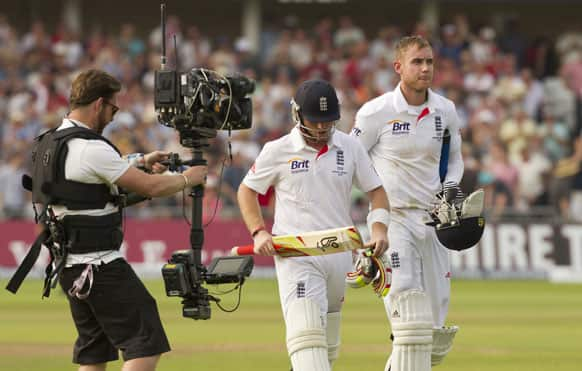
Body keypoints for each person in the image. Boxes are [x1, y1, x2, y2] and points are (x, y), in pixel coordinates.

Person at [37, 69, 207, 371]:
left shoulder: (49, 144)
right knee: (145, 343)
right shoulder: (91, 147)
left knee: (95, 353)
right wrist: (187, 178)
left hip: (68, 265)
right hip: (100, 265)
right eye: (113, 108)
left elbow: (86, 188)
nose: (114, 116)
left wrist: (140, 162)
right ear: (99, 104)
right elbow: (150, 187)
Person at [237, 79, 390, 371]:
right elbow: (247, 190)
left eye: (327, 121)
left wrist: (379, 228)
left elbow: (377, 191)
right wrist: (258, 231)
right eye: (314, 121)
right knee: (307, 344)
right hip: (297, 254)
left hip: (339, 252)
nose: (321, 128)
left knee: (327, 350)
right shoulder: (278, 150)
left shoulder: (350, 146)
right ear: (297, 114)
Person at [351, 35, 464, 371]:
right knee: (409, 316)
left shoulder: (446, 109)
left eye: (429, 61)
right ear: (398, 67)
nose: (425, 68)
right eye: (417, 62)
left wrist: (451, 189)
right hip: (393, 220)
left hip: (433, 221)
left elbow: (455, 158)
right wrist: (374, 211)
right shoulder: (376, 112)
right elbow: (353, 160)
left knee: (433, 329)